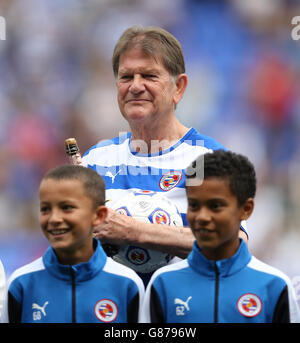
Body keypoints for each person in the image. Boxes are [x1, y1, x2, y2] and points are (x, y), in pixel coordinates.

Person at [82, 26, 247, 285]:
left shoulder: (208, 159)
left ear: (178, 87)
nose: (136, 86)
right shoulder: (94, 160)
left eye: (149, 75)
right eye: (126, 77)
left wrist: (135, 232)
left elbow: (234, 245)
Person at [141, 150, 300, 323]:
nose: (202, 216)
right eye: (194, 205)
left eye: (215, 206)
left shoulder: (275, 285)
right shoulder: (163, 283)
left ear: (246, 209)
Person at [2, 165, 144, 323]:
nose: (54, 218)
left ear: (98, 215)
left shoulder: (127, 283)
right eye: (45, 209)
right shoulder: (21, 283)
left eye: (67, 208)